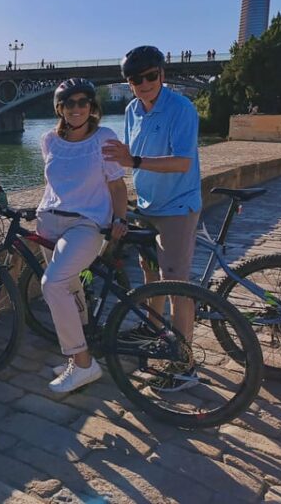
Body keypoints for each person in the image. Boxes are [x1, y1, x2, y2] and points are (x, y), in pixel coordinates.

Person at [102, 45, 202, 391]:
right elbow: (129, 154)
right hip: (147, 205)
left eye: (149, 76)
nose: (143, 84)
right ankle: (154, 329)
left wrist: (134, 162)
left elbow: (182, 162)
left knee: (176, 285)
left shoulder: (181, 108)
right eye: (135, 79)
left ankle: (185, 365)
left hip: (176, 207)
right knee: (150, 275)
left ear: (162, 75)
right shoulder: (132, 109)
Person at [37, 78, 128, 393]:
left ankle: (84, 364)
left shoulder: (104, 138)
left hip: (86, 224)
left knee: (53, 284)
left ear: (92, 106)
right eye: (69, 103)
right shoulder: (49, 140)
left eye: (83, 102)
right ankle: (77, 354)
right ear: (59, 108)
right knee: (70, 286)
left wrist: (120, 219)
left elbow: (117, 185)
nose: (76, 108)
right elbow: (54, 182)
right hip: (49, 221)